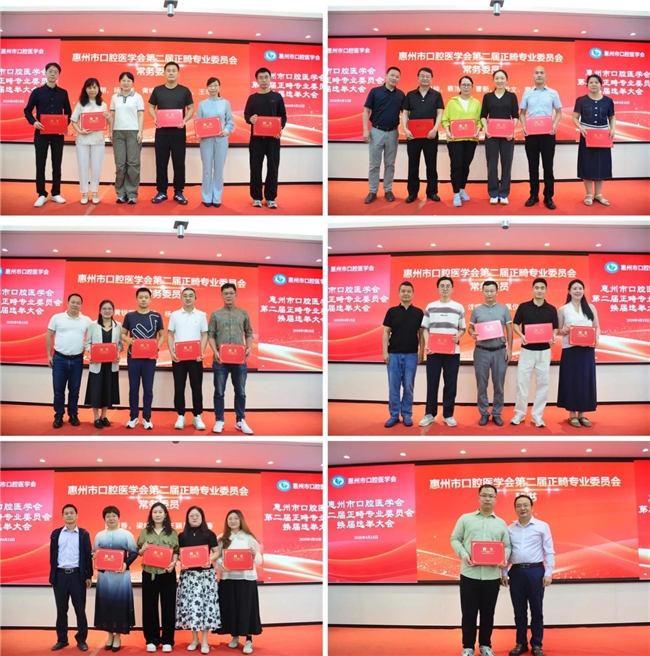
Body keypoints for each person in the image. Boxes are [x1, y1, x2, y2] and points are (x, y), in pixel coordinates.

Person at [451, 485, 511, 656]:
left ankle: (485, 645)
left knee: (488, 613)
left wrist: (503, 558)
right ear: (478, 498)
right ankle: (468, 647)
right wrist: (464, 554)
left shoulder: (501, 523)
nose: (487, 499)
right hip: (469, 574)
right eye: (484, 495)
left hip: (491, 577)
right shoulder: (465, 519)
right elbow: (454, 539)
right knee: (468, 613)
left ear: (496, 499)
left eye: (491, 496)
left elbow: (507, 546)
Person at [501, 495, 555, 656]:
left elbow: (549, 551)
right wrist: (504, 572)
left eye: (525, 505)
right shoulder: (509, 529)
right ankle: (521, 643)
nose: (522, 508)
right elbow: (506, 553)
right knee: (519, 610)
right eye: (519, 506)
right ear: (515, 508)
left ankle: (537, 644)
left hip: (535, 571)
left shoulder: (542, 526)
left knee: (536, 610)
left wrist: (548, 573)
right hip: (516, 572)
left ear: (532, 507)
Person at [419, 276, 466, 428]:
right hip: (433, 352)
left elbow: (462, 328)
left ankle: (448, 415)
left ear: (452, 289)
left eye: (448, 286)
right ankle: (429, 414)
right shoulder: (431, 306)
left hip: (452, 352)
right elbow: (424, 328)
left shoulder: (458, 307)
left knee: (450, 383)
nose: (445, 288)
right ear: (438, 288)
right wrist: (428, 344)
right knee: (432, 383)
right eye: (442, 286)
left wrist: (458, 336)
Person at [511, 279, 558, 428]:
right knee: (522, 382)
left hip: (544, 351)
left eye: (542, 288)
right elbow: (515, 324)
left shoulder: (551, 309)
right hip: (527, 350)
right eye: (536, 288)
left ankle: (537, 416)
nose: (539, 290)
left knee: (543, 384)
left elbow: (555, 327)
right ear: (532, 290)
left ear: (546, 290)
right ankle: (519, 413)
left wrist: (553, 336)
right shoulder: (524, 307)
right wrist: (522, 335)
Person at [208, 283, 254, 435]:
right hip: (220, 360)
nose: (228, 296)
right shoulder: (216, 314)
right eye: (225, 293)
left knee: (240, 392)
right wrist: (215, 351)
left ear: (236, 295)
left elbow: (248, 332)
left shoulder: (243, 313)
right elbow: (211, 335)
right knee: (219, 392)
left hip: (239, 360)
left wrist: (249, 348)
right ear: (221, 295)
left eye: (231, 293)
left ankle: (240, 420)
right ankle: (219, 420)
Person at [24, 62, 72, 207]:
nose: (52, 74)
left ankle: (56, 193)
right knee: (40, 163)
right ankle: (41, 194)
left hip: (57, 134)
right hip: (41, 133)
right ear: (45, 73)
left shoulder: (63, 93)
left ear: (58, 75)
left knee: (57, 163)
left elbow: (68, 112)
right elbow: (27, 110)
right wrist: (34, 122)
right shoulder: (37, 92)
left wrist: (63, 125)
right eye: (50, 71)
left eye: (55, 72)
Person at [215, 510, 263, 656]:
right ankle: (235, 636)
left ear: (241, 520)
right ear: (226, 521)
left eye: (236, 518)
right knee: (231, 609)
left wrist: (254, 554)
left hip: (246, 579)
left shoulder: (249, 538)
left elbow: (259, 560)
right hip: (228, 579)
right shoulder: (221, 538)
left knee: (246, 609)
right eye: (230, 518)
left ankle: (248, 639)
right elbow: (216, 558)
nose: (233, 521)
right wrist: (221, 564)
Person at [176, 506, 221, 654]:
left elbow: (217, 552)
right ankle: (194, 639)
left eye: (197, 515)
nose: (194, 518)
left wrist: (208, 560)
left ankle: (205, 641)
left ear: (202, 517)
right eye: (191, 516)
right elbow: (179, 555)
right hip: (188, 577)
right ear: (187, 518)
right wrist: (182, 559)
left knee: (205, 608)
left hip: (205, 577)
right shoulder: (182, 536)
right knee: (191, 608)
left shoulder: (209, 534)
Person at [149, 61, 194, 205]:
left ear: (178, 73)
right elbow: (150, 107)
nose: (171, 73)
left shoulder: (184, 91)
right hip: (161, 133)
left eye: (174, 70)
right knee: (161, 163)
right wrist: (155, 118)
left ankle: (179, 192)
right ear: (164, 73)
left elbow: (191, 108)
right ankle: (161, 191)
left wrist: (184, 120)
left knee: (179, 163)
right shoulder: (157, 90)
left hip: (178, 133)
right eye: (168, 70)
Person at [93, 506, 138, 652]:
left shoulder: (126, 535)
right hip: (105, 577)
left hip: (121, 576)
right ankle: (109, 635)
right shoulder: (99, 535)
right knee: (105, 605)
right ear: (104, 519)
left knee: (119, 605)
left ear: (119, 518)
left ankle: (118, 635)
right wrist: (94, 556)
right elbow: (95, 552)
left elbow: (134, 552)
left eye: (113, 516)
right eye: (108, 516)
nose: (111, 518)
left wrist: (125, 563)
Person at [468, 281, 513, 426]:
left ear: (497, 292)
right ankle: (484, 413)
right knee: (482, 384)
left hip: (499, 351)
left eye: (492, 291)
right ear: (482, 291)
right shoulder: (477, 310)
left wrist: (510, 349)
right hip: (481, 351)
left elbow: (509, 329)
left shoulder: (504, 309)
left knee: (499, 384)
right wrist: (472, 333)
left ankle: (497, 413)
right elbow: (470, 328)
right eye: (486, 291)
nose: (489, 293)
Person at [49, 504, 93, 652]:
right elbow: (52, 556)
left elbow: (87, 556)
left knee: (80, 610)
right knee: (61, 609)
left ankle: (81, 640)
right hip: (60, 576)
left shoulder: (83, 534)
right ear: (62, 516)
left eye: (71, 513)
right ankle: (62, 640)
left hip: (77, 576)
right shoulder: (56, 534)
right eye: (66, 513)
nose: (69, 515)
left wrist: (88, 575)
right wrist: (53, 576)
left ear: (76, 515)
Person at [137, 502, 179, 653]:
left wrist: (173, 563)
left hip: (167, 574)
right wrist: (142, 549)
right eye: (155, 512)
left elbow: (176, 551)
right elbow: (139, 551)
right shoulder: (145, 532)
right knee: (149, 607)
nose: (158, 514)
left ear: (165, 514)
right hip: (149, 574)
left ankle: (167, 640)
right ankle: (151, 639)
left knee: (168, 607)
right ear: (151, 515)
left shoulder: (172, 533)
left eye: (161, 512)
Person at [557, 279, 600, 427]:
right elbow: (558, 331)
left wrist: (596, 338)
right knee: (571, 381)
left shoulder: (591, 307)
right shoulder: (563, 309)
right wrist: (564, 330)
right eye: (574, 288)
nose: (577, 291)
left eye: (580, 288)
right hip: (570, 350)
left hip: (587, 350)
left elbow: (597, 327)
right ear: (569, 291)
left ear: (583, 290)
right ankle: (571, 414)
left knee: (585, 380)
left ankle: (582, 414)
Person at [381, 281, 425, 428]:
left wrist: (421, 352)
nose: (406, 294)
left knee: (408, 386)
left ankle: (406, 414)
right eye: (403, 291)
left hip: (411, 355)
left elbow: (421, 334)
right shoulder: (392, 311)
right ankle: (394, 415)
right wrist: (385, 352)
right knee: (393, 387)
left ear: (413, 294)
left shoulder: (418, 313)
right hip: (393, 355)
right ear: (399, 293)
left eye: (408, 291)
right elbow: (386, 332)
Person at [121, 287, 165, 430]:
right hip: (133, 358)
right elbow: (122, 334)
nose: (143, 300)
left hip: (149, 359)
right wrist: (127, 340)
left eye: (146, 297)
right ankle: (133, 417)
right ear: (136, 299)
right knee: (133, 389)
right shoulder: (130, 316)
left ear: (150, 299)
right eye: (141, 297)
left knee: (148, 389)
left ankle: (147, 418)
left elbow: (162, 335)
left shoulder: (156, 316)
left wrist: (156, 347)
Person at [46, 293, 92, 429]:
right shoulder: (57, 318)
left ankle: (73, 414)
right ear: (67, 303)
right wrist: (49, 356)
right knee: (58, 390)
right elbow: (49, 336)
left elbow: (92, 339)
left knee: (74, 390)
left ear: (81, 305)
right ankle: (59, 415)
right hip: (59, 359)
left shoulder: (87, 320)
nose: (75, 305)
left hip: (77, 359)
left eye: (78, 303)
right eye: (73, 302)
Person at [243, 67, 287, 209]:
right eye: (261, 78)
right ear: (256, 80)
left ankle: (270, 197)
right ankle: (256, 197)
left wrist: (279, 128)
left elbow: (283, 116)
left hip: (273, 139)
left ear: (270, 78)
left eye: (266, 77)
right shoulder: (252, 98)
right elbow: (246, 115)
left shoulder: (277, 97)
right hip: (256, 139)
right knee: (255, 167)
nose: (264, 80)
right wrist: (251, 119)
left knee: (273, 168)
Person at [520, 66, 563, 210]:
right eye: (536, 73)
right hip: (531, 135)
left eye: (542, 73)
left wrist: (555, 124)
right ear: (532, 76)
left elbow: (559, 112)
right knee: (533, 167)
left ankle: (548, 197)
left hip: (548, 135)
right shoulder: (527, 94)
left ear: (546, 76)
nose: (539, 75)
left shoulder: (553, 93)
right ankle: (533, 195)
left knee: (548, 167)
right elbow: (522, 113)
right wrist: (524, 126)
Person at [168, 287, 209, 431]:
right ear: (181, 298)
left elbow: (205, 334)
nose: (188, 298)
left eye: (191, 295)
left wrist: (201, 351)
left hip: (196, 358)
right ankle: (180, 415)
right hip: (178, 358)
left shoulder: (201, 315)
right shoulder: (175, 315)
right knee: (179, 387)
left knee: (196, 387)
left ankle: (197, 415)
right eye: (185, 295)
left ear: (195, 298)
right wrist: (171, 352)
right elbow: (170, 334)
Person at [362, 66, 405, 204]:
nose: (394, 78)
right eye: (392, 75)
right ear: (386, 76)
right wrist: (365, 130)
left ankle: (388, 190)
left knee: (390, 164)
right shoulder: (375, 92)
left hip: (393, 132)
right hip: (376, 132)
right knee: (374, 164)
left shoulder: (401, 95)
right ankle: (372, 191)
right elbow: (366, 111)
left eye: (397, 76)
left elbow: (405, 114)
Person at [401, 67, 444, 203]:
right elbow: (405, 113)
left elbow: (440, 113)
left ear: (432, 79)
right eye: (422, 76)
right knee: (413, 165)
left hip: (430, 136)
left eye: (427, 76)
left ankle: (432, 191)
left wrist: (435, 129)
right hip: (413, 136)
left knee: (431, 165)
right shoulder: (410, 95)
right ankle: (412, 193)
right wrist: (405, 129)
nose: (425, 79)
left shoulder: (436, 95)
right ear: (418, 78)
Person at [572, 74, 616, 206]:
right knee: (587, 164)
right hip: (587, 136)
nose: (594, 84)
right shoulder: (581, 100)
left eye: (596, 82)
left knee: (602, 165)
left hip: (603, 137)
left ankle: (599, 194)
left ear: (601, 85)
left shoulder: (608, 101)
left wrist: (613, 129)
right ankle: (589, 194)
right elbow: (575, 117)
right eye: (591, 82)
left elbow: (612, 117)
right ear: (587, 85)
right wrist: (580, 128)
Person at [480, 69, 519, 205]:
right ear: (493, 80)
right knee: (492, 164)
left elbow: (515, 116)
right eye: (497, 78)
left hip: (507, 136)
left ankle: (504, 193)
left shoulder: (511, 96)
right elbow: (483, 116)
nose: (500, 81)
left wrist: (511, 131)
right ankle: (493, 192)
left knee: (506, 164)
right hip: (491, 136)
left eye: (502, 78)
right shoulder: (488, 97)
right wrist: (486, 129)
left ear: (506, 80)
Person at [442, 76, 482, 208]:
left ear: (472, 87)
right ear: (459, 86)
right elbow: (445, 119)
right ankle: (455, 193)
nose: (466, 87)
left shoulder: (476, 103)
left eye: (468, 85)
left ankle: (462, 189)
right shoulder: (452, 102)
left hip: (471, 139)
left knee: (466, 165)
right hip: (455, 140)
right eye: (463, 84)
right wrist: (448, 131)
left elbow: (478, 121)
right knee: (456, 165)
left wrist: (478, 130)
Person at [70, 77, 111, 205]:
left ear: (98, 89)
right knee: (82, 167)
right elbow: (73, 121)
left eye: (94, 87)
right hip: (83, 140)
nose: (92, 90)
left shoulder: (103, 105)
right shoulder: (80, 104)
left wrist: (108, 117)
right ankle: (84, 192)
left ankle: (94, 192)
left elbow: (106, 123)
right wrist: (80, 131)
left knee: (96, 167)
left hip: (98, 140)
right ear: (85, 89)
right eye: (89, 87)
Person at [84, 299, 122, 429]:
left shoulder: (118, 326)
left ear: (113, 311)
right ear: (100, 311)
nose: (107, 311)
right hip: (97, 364)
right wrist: (92, 353)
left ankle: (104, 416)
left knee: (108, 390)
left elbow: (120, 344)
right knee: (96, 390)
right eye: (104, 309)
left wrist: (117, 353)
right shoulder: (93, 325)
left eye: (109, 309)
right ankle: (96, 417)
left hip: (111, 365)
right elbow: (87, 343)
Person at [197, 77, 235, 208]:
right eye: (210, 86)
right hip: (206, 141)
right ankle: (206, 197)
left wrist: (226, 130)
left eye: (215, 85)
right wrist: (198, 133)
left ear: (219, 87)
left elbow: (230, 121)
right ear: (207, 88)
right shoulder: (202, 104)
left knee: (219, 169)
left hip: (221, 140)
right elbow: (199, 122)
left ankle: (217, 197)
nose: (213, 88)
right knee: (207, 170)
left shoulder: (225, 103)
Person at [109, 71, 144, 204]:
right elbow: (112, 115)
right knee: (120, 164)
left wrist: (140, 131)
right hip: (118, 132)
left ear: (132, 82)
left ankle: (132, 194)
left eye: (128, 80)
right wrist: (110, 131)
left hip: (133, 132)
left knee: (133, 164)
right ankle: (120, 193)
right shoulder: (114, 97)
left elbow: (140, 115)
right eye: (123, 80)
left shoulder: (138, 97)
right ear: (120, 82)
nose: (126, 83)